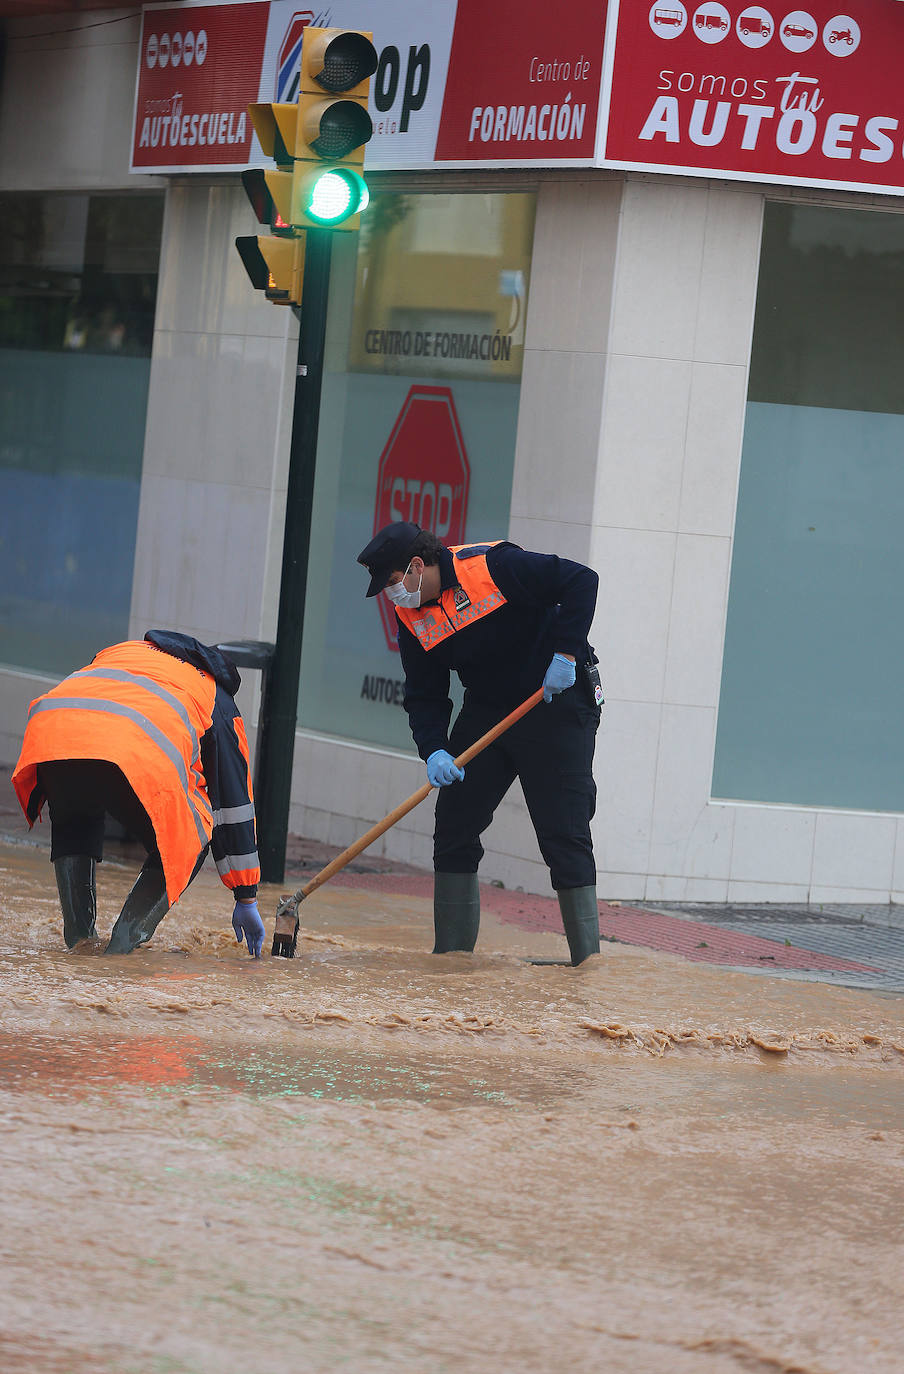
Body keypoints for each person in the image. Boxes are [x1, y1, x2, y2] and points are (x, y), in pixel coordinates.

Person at [357, 522, 604, 966]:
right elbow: (425, 694)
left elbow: (581, 580)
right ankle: (451, 964)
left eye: (394, 583)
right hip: (489, 709)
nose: (394, 595)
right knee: (454, 825)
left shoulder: (493, 566)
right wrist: (433, 749)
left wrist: (565, 654)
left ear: (417, 565)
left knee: (563, 833)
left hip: (554, 703)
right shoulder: (411, 615)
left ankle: (588, 968)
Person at [11, 631, 265, 957]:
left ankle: (79, 943)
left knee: (74, 811)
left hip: (54, 737)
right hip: (130, 753)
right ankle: (119, 952)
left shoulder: (124, 653)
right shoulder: (215, 697)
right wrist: (246, 896)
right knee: (193, 830)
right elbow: (231, 803)